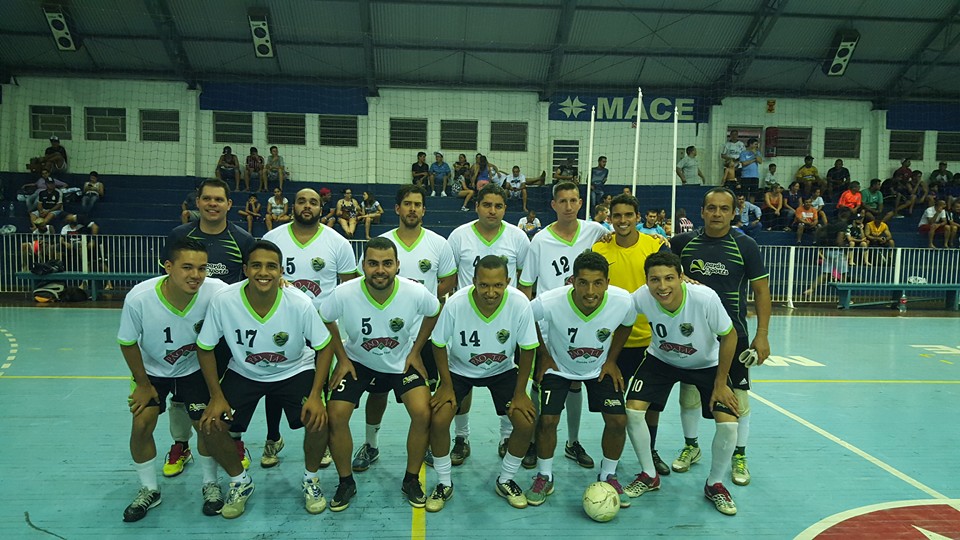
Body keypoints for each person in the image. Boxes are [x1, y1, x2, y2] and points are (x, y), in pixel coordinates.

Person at [197, 240, 334, 519]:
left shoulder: (299, 302)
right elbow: (204, 346)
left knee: (320, 419)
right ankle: (240, 482)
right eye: (256, 265)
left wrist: (318, 395)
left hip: (294, 369)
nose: (264, 272)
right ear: (245, 269)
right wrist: (216, 396)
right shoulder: (224, 301)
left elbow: (325, 345)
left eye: (271, 266)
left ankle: (311, 479)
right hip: (245, 372)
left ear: (281, 271)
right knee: (210, 425)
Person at [613, 252, 741, 516]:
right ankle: (649, 475)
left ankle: (715, 484)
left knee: (729, 425)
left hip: (707, 364)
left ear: (682, 277)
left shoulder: (704, 298)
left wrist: (720, 382)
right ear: (646, 281)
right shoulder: (640, 296)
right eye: (655, 280)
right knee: (633, 410)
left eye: (670, 278)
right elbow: (623, 322)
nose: (662, 286)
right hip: (661, 360)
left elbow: (729, 336)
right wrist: (610, 360)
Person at [320, 237, 441, 511]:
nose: (380, 270)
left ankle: (411, 479)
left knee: (423, 412)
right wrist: (341, 357)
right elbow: (325, 318)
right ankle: (345, 481)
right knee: (336, 414)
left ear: (398, 265)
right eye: (373, 263)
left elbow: (434, 312)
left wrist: (416, 350)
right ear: (363, 265)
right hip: (358, 362)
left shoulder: (414, 291)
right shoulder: (344, 292)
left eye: (387, 263)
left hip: (401, 362)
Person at [117, 239, 228, 522]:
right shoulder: (140, 297)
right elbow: (128, 342)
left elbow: (249, 292)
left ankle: (210, 483)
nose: (196, 275)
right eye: (187, 267)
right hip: (153, 372)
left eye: (202, 268)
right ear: (168, 267)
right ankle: (149, 489)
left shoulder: (216, 291)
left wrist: (281, 284)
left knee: (206, 425)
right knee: (141, 423)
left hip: (194, 370)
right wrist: (143, 385)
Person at [351, 185, 457, 474]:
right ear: (397, 209)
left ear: (424, 209)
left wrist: (419, 302)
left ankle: (425, 447)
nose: (412, 209)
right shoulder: (381, 242)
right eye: (407, 204)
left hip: (426, 336)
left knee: (428, 396)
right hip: (386, 336)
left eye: (417, 204)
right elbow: (372, 284)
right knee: (377, 393)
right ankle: (371, 444)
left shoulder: (439, 244)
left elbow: (447, 282)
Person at [670, 188, 771, 488]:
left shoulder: (746, 245)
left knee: (737, 397)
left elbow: (761, 291)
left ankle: (739, 454)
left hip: (734, 336)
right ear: (701, 211)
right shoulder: (682, 244)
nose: (717, 214)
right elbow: (654, 265)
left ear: (733, 212)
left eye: (724, 209)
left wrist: (762, 335)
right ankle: (692, 445)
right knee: (688, 394)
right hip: (692, 336)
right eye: (711, 208)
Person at [426, 255, 539, 511]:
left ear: (508, 282)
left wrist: (521, 392)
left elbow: (529, 347)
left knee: (525, 422)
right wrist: (445, 383)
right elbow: (438, 343)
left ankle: (506, 479)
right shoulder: (455, 303)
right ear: (474, 281)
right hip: (459, 370)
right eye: (484, 285)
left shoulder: (520, 303)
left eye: (498, 285)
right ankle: (444, 483)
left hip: (502, 370)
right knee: (439, 418)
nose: (491, 292)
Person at [525, 251, 637, 507]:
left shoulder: (623, 301)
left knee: (619, 420)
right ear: (572, 281)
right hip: (558, 367)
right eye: (583, 282)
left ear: (607, 283)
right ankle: (544, 474)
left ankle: (608, 474)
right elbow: (526, 319)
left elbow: (627, 324)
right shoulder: (549, 301)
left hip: (599, 368)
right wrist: (543, 354)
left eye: (598, 283)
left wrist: (611, 360)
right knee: (548, 419)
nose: (590, 290)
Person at [163, 178, 258, 477]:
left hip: (227, 333)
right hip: (185, 330)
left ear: (230, 204)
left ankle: (234, 440)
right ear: (198, 202)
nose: (213, 204)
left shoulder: (243, 240)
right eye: (207, 199)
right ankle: (181, 444)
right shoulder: (179, 235)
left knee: (230, 390)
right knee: (180, 394)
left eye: (219, 199)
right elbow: (166, 283)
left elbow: (253, 282)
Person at [262, 188, 359, 468]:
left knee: (323, 385)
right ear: (293, 205)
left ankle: (323, 438)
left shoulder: (338, 243)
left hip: (322, 328)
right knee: (275, 382)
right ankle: (273, 437)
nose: (307, 206)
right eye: (301, 201)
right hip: (281, 324)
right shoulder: (273, 239)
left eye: (313, 202)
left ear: (321, 207)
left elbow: (350, 287)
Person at [518, 182, 611, 470]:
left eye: (573, 200)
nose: (568, 206)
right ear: (554, 205)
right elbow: (526, 288)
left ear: (580, 203)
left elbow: (624, 241)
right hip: (549, 325)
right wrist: (527, 323)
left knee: (575, 382)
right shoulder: (540, 241)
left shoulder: (595, 232)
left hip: (584, 321)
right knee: (542, 379)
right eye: (563, 201)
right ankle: (533, 441)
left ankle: (572, 442)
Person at [447, 184, 530, 464]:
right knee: (463, 382)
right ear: (477, 206)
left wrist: (523, 314)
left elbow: (524, 278)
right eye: (487, 205)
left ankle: (507, 437)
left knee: (505, 382)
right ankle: (462, 437)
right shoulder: (459, 236)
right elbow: (449, 277)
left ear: (505, 209)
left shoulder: (518, 237)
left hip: (505, 323)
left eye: (498, 206)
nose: (492, 211)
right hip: (467, 322)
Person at [592, 194, 672, 478]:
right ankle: (609, 462)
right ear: (609, 218)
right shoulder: (600, 249)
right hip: (612, 343)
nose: (623, 220)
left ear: (638, 217)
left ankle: (649, 452)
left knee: (651, 406)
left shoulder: (655, 246)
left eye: (628, 215)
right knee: (614, 410)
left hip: (650, 341)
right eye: (617, 216)